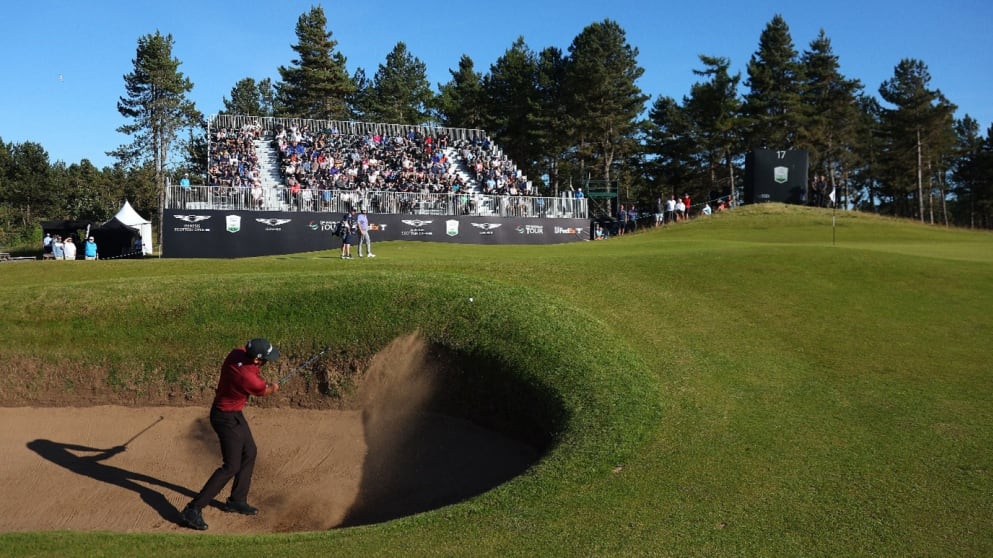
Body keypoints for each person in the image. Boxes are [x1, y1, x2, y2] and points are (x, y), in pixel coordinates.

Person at [181, 338, 281, 531]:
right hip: (224, 418)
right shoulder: (248, 378)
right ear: (257, 360)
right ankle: (192, 509)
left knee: (250, 451)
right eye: (267, 359)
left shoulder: (237, 353)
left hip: (233, 413)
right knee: (231, 466)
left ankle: (237, 500)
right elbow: (264, 390)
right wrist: (273, 388)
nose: (269, 361)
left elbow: (256, 378)